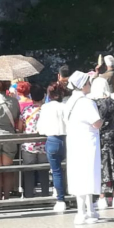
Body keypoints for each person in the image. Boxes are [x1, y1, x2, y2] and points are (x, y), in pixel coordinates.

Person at [64, 72, 104, 225]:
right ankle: (83, 212)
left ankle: (88, 209)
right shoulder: (86, 102)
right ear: (83, 85)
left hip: (74, 141)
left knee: (78, 175)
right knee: (88, 175)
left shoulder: (69, 101)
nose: (90, 85)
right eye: (88, 83)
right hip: (87, 141)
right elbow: (96, 123)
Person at [91, 78, 114, 210]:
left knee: (101, 165)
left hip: (100, 135)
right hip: (113, 133)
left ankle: (102, 198)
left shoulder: (94, 103)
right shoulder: (111, 101)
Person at [37, 82, 70, 212]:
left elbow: (40, 128)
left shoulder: (45, 108)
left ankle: (60, 200)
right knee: (70, 169)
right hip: (67, 139)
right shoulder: (65, 106)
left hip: (52, 140)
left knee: (56, 171)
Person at [18, 83, 49, 198]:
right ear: (43, 96)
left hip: (29, 144)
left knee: (29, 171)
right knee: (44, 171)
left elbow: (20, 127)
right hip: (44, 144)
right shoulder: (46, 110)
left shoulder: (27, 110)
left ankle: (29, 194)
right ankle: (45, 193)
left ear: (31, 96)